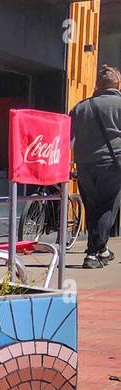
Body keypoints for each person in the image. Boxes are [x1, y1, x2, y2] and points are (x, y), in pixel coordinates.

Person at [70, 64, 121, 268]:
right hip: (113, 163)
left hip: (84, 164)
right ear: (118, 84)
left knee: (92, 207)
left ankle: (102, 250)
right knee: (107, 207)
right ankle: (92, 254)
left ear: (97, 86)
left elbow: (68, 139)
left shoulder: (80, 107)